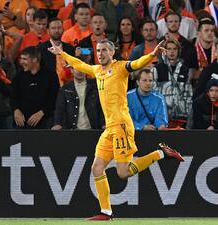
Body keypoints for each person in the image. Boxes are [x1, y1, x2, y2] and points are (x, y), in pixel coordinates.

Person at [48, 39, 184, 220]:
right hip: (109, 128)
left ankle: (161, 153)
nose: (101, 53)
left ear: (112, 52)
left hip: (121, 125)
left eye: (104, 50)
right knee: (97, 168)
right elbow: (79, 64)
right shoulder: (97, 70)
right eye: (98, 50)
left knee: (123, 172)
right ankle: (106, 212)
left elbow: (136, 64)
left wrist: (152, 55)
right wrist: (61, 53)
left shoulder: (120, 67)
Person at [11, 46, 59, 129]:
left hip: (45, 122)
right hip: (23, 123)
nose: (21, 62)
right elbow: (13, 96)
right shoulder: (18, 76)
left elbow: (54, 98)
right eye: (21, 59)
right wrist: (16, 110)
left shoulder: (50, 75)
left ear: (35, 60)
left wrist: (42, 112)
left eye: (25, 59)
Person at [52, 64, 104, 130]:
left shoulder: (96, 86)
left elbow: (102, 106)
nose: (80, 71)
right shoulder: (65, 89)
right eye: (77, 68)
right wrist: (57, 123)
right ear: (71, 70)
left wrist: (104, 123)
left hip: (93, 130)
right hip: (72, 132)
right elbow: (60, 109)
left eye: (83, 68)